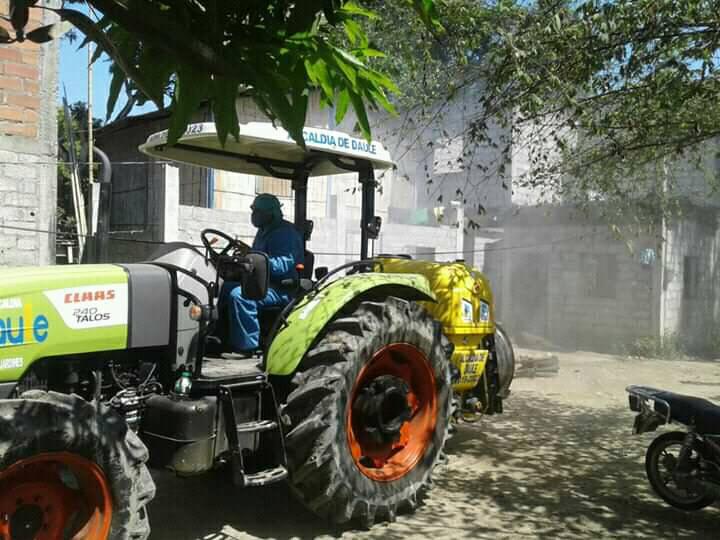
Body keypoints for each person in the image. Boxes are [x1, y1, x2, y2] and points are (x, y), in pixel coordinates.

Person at [220, 193, 304, 352]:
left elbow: (282, 265)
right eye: (253, 210)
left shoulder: (286, 233)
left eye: (257, 211)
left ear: (270, 213)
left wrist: (251, 259)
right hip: (260, 282)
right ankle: (220, 337)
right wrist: (245, 256)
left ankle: (247, 347)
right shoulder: (264, 231)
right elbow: (258, 256)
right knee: (222, 287)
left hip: (280, 287)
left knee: (240, 296)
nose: (253, 215)